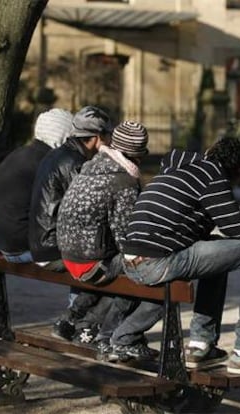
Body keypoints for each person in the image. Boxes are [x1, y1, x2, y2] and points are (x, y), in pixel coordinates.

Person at [122, 136, 240, 376]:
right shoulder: (212, 175)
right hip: (156, 263)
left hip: (132, 260)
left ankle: (201, 346)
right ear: (237, 170)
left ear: (210, 151)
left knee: (220, 251)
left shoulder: (178, 168)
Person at [57, 121, 162, 361]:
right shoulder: (123, 181)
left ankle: (77, 317)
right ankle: (112, 336)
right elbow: (127, 238)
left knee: (127, 266)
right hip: (91, 265)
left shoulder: (90, 166)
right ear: (136, 155)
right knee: (141, 267)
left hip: (69, 257)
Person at [28, 105, 113, 340]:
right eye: (108, 136)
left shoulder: (57, 154)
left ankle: (77, 322)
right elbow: (88, 211)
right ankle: (82, 325)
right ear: (97, 138)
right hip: (53, 248)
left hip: (42, 242)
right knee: (112, 266)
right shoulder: (76, 164)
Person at [0, 108, 73, 263]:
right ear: (63, 135)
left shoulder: (19, 154)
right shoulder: (49, 163)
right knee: (85, 256)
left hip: (5, 244)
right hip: (26, 248)